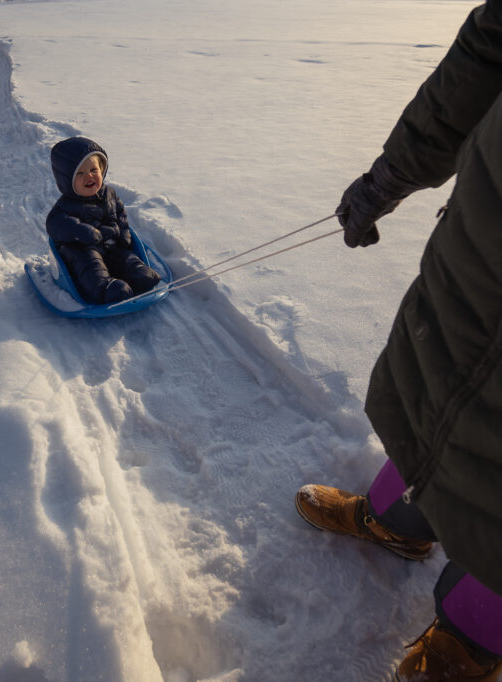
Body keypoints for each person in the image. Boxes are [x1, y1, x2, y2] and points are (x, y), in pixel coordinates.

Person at [294, 1, 502, 679]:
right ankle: (396, 521)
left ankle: (474, 639)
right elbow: (482, 59)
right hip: (485, 243)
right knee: (439, 389)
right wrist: (389, 178)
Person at [46, 137, 161, 304]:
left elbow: (120, 213)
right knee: (90, 266)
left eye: (94, 169)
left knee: (127, 258)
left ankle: (138, 275)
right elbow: (55, 224)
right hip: (83, 249)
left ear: (102, 169)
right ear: (66, 179)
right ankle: (105, 289)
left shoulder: (110, 194)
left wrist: (124, 233)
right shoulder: (65, 206)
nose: (89, 176)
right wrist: (82, 231)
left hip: (111, 245)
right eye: (80, 173)